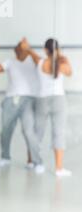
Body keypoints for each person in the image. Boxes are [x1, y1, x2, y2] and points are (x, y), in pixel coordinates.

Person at [0, 39, 43, 173]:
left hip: (28, 100)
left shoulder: (34, 61)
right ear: (16, 50)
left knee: (29, 131)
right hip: (10, 100)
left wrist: (28, 49)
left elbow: (42, 63)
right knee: (6, 130)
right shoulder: (10, 62)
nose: (22, 49)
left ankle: (37, 162)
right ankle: (5, 157)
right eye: (20, 47)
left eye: (25, 47)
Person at [23, 38, 73, 177]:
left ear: (45, 50)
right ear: (57, 50)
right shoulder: (62, 63)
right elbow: (70, 73)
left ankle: (34, 162)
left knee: (37, 132)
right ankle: (58, 168)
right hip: (59, 100)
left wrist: (26, 46)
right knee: (59, 133)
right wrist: (62, 57)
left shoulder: (40, 62)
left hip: (42, 100)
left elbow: (30, 52)